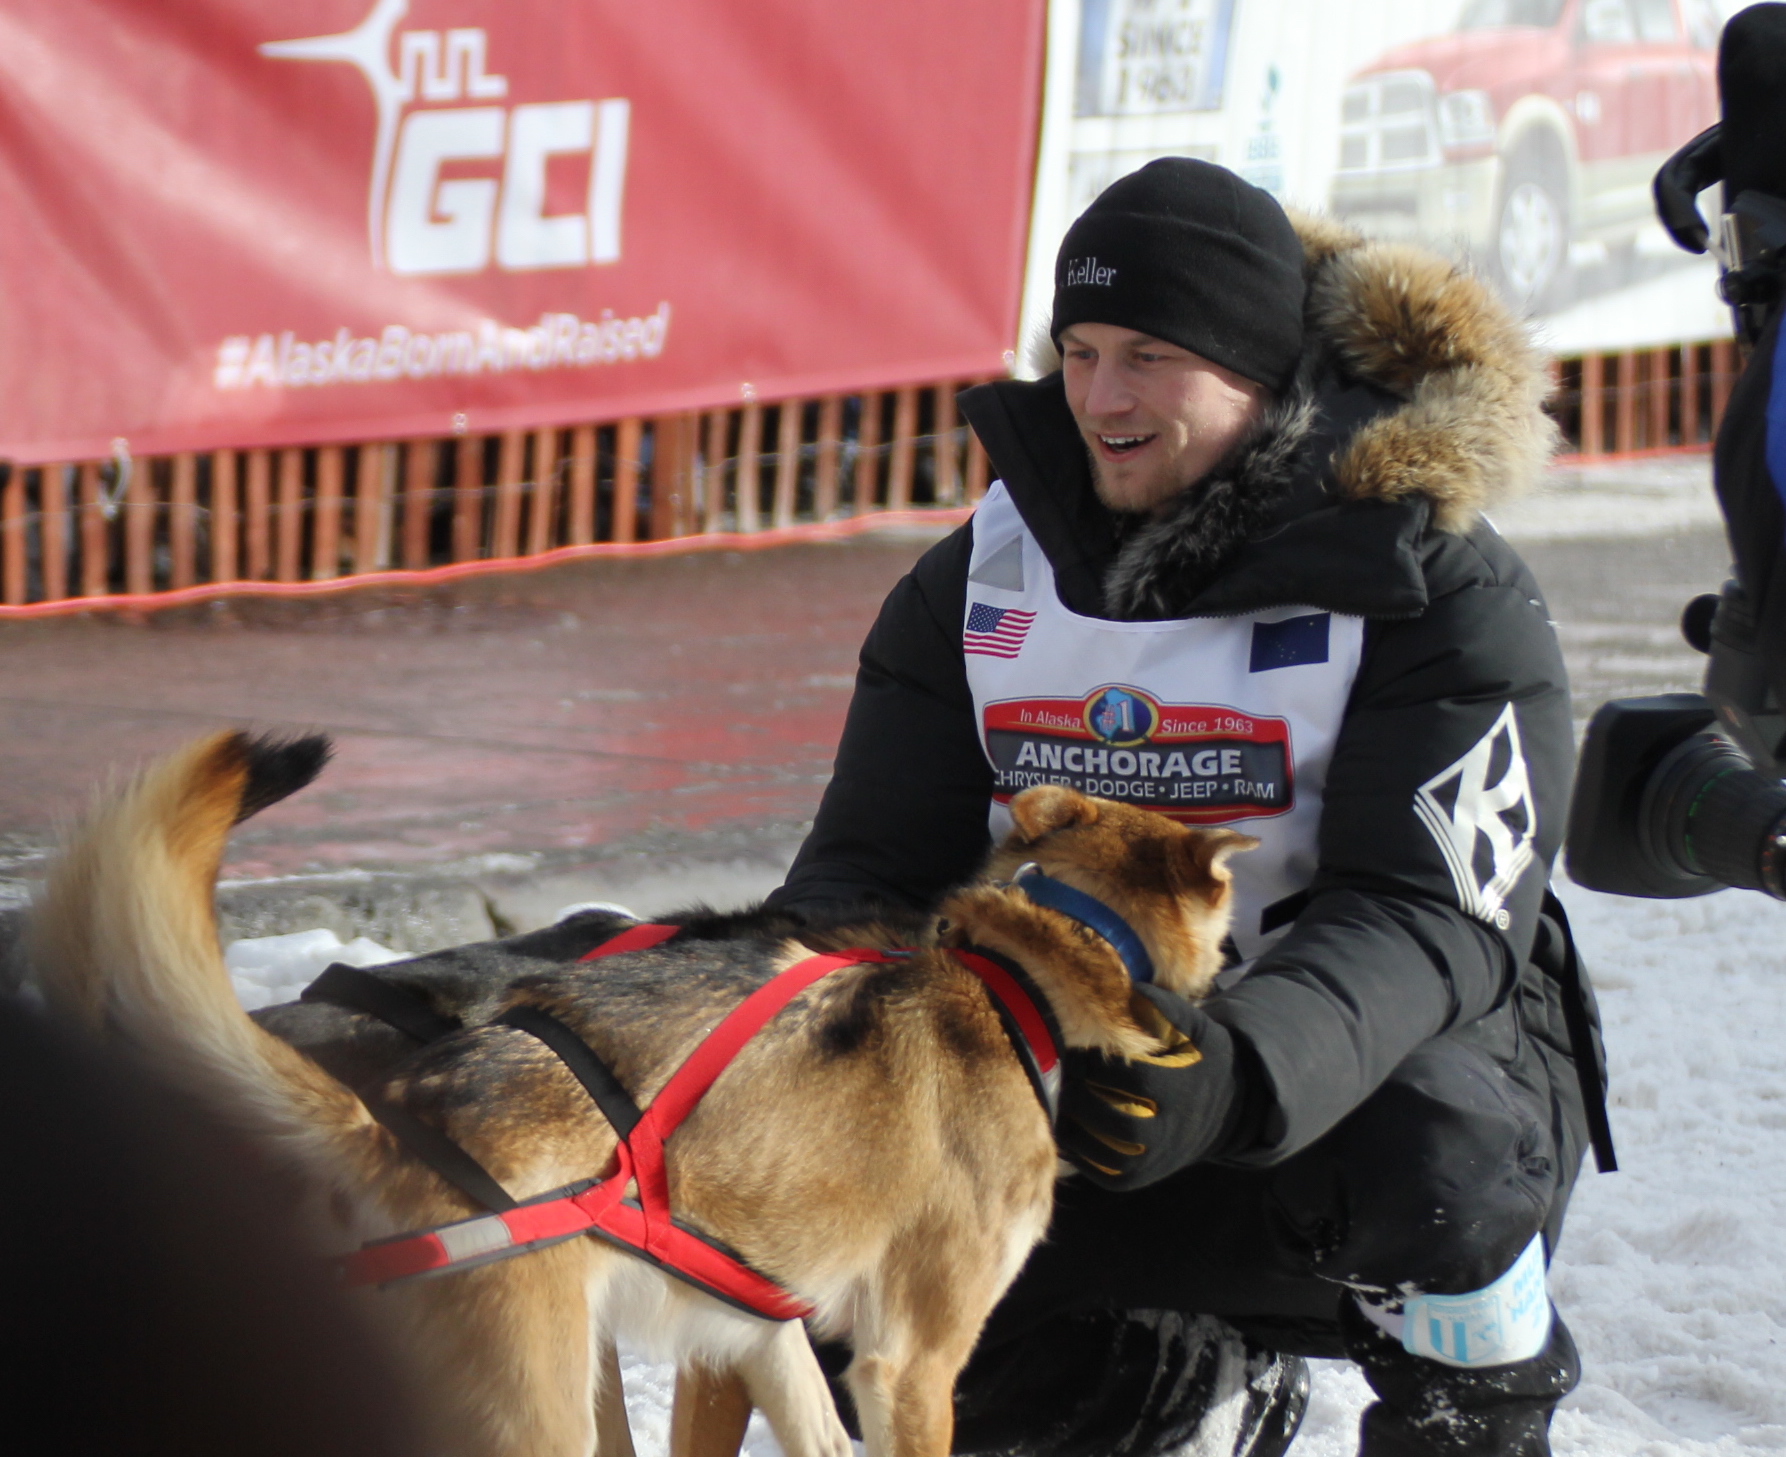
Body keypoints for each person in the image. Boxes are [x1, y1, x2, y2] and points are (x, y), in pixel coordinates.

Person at [766, 159, 1607, 1456]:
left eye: (1151, 355)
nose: (1100, 398)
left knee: (1441, 1148)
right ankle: (1164, 1382)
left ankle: (1470, 1406)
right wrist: (724, 1010)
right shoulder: (979, 577)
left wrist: (1238, 1073)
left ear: (1260, 371)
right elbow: (867, 875)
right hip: (1052, 1070)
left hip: (1340, 1082)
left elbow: (1425, 915)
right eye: (1081, 350)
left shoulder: (1429, 578)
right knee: (815, 1223)